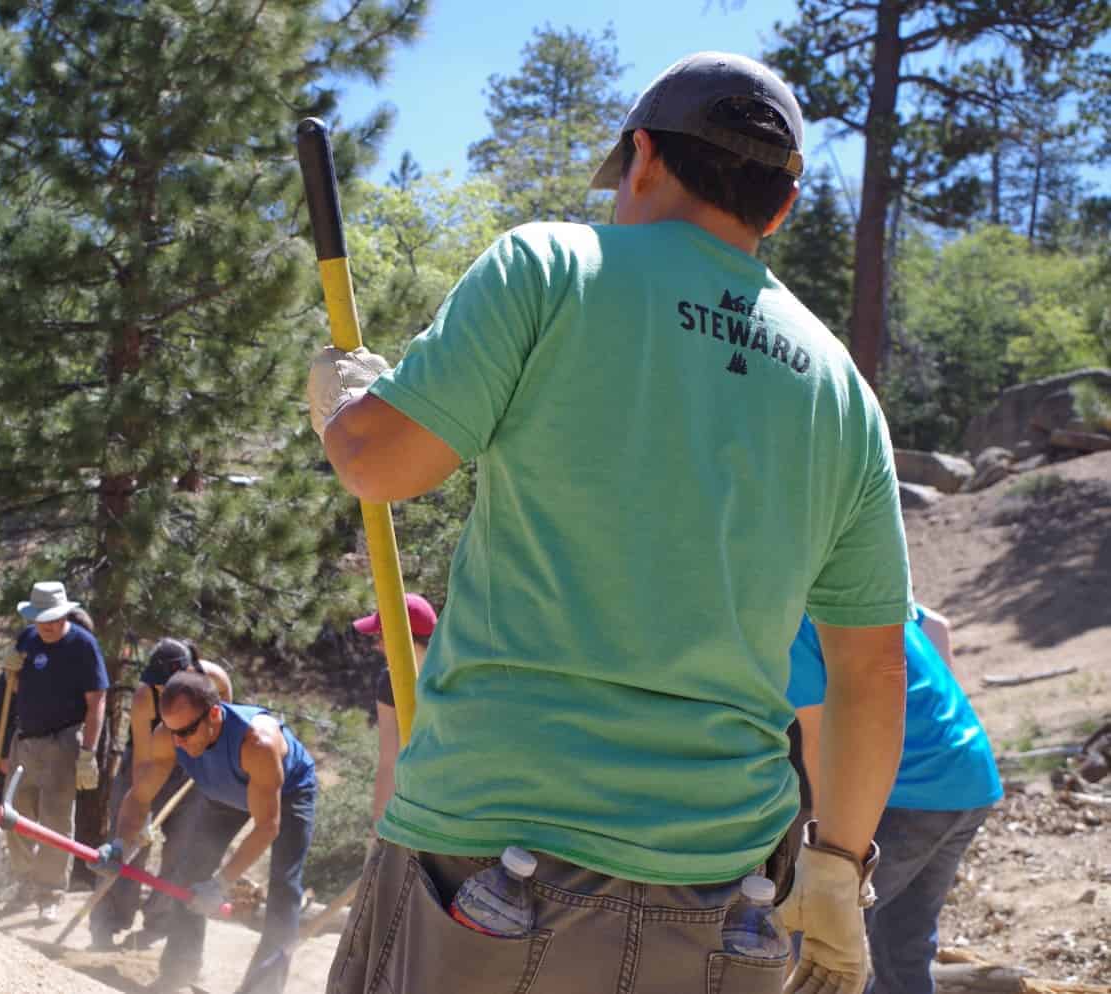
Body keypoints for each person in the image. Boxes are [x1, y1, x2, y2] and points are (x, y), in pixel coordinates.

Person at [308, 51, 912, 994]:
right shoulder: (842, 390)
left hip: (491, 861)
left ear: (642, 157)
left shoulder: (550, 266)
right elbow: (871, 667)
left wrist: (345, 402)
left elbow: (381, 462)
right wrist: (837, 867)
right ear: (779, 208)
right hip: (729, 894)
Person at [789, 605, 1002, 994]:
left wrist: (824, 852)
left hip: (909, 792)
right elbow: (937, 624)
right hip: (969, 771)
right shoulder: (857, 587)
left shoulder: (792, 618)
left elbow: (822, 741)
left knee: (816, 934)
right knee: (903, 940)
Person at [99, 671, 317, 994]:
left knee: (284, 889)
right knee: (189, 872)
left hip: (286, 792)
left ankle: (261, 989)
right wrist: (118, 845)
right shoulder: (171, 735)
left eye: (186, 731)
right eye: (172, 731)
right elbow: (140, 796)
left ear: (214, 714)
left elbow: (268, 826)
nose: (179, 742)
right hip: (225, 790)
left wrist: (221, 884)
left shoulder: (257, 743)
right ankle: (179, 973)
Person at [90, 636, 234, 947]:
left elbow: (226, 716)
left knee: (183, 846)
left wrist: (210, 758)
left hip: (190, 766)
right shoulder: (145, 697)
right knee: (126, 843)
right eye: (159, 689)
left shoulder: (213, 680)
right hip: (147, 762)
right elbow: (144, 763)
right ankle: (109, 919)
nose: (163, 694)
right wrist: (141, 809)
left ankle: (159, 922)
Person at [2, 581, 108, 920]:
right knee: (14, 812)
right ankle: (25, 881)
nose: (46, 625)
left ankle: (49, 892)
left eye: (52, 618)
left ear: (64, 613)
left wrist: (89, 752)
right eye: (40, 619)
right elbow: (16, 690)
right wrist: (10, 673)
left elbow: (97, 702)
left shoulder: (83, 645)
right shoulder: (28, 641)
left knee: (55, 819)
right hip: (26, 738)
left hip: (63, 740)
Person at [351, 592, 436, 823]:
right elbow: (388, 761)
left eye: (382, 635)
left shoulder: (459, 677)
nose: (378, 645)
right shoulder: (389, 682)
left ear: (402, 637)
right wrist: (379, 829)